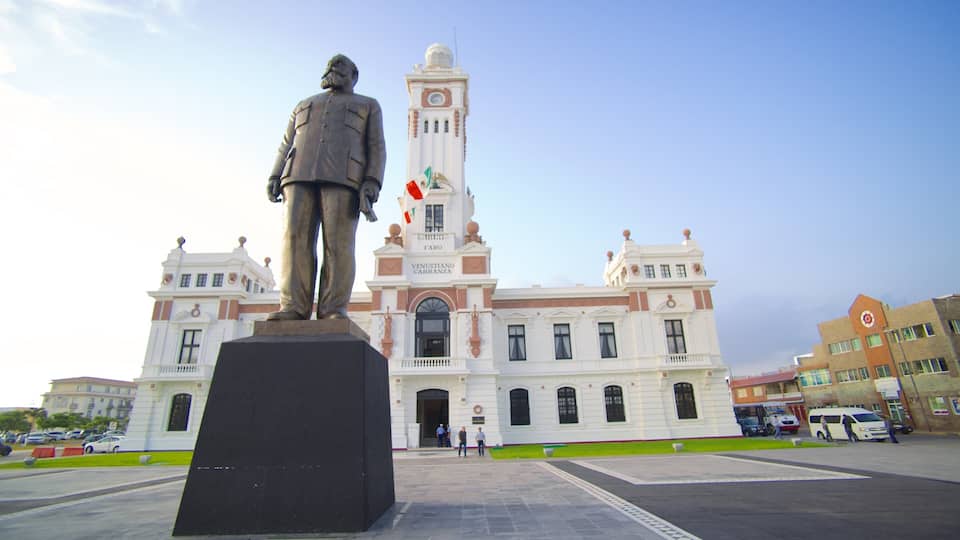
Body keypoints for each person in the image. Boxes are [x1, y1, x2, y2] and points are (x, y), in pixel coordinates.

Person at [266, 54, 387, 321]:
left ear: (354, 75)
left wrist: (372, 182)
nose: (333, 68)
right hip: (297, 175)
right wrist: (275, 174)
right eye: (330, 66)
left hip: (344, 178)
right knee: (294, 240)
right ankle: (293, 307)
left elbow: (376, 147)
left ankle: (333, 308)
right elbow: (286, 143)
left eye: (340, 66)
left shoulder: (367, 105)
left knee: (339, 244)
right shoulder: (304, 104)